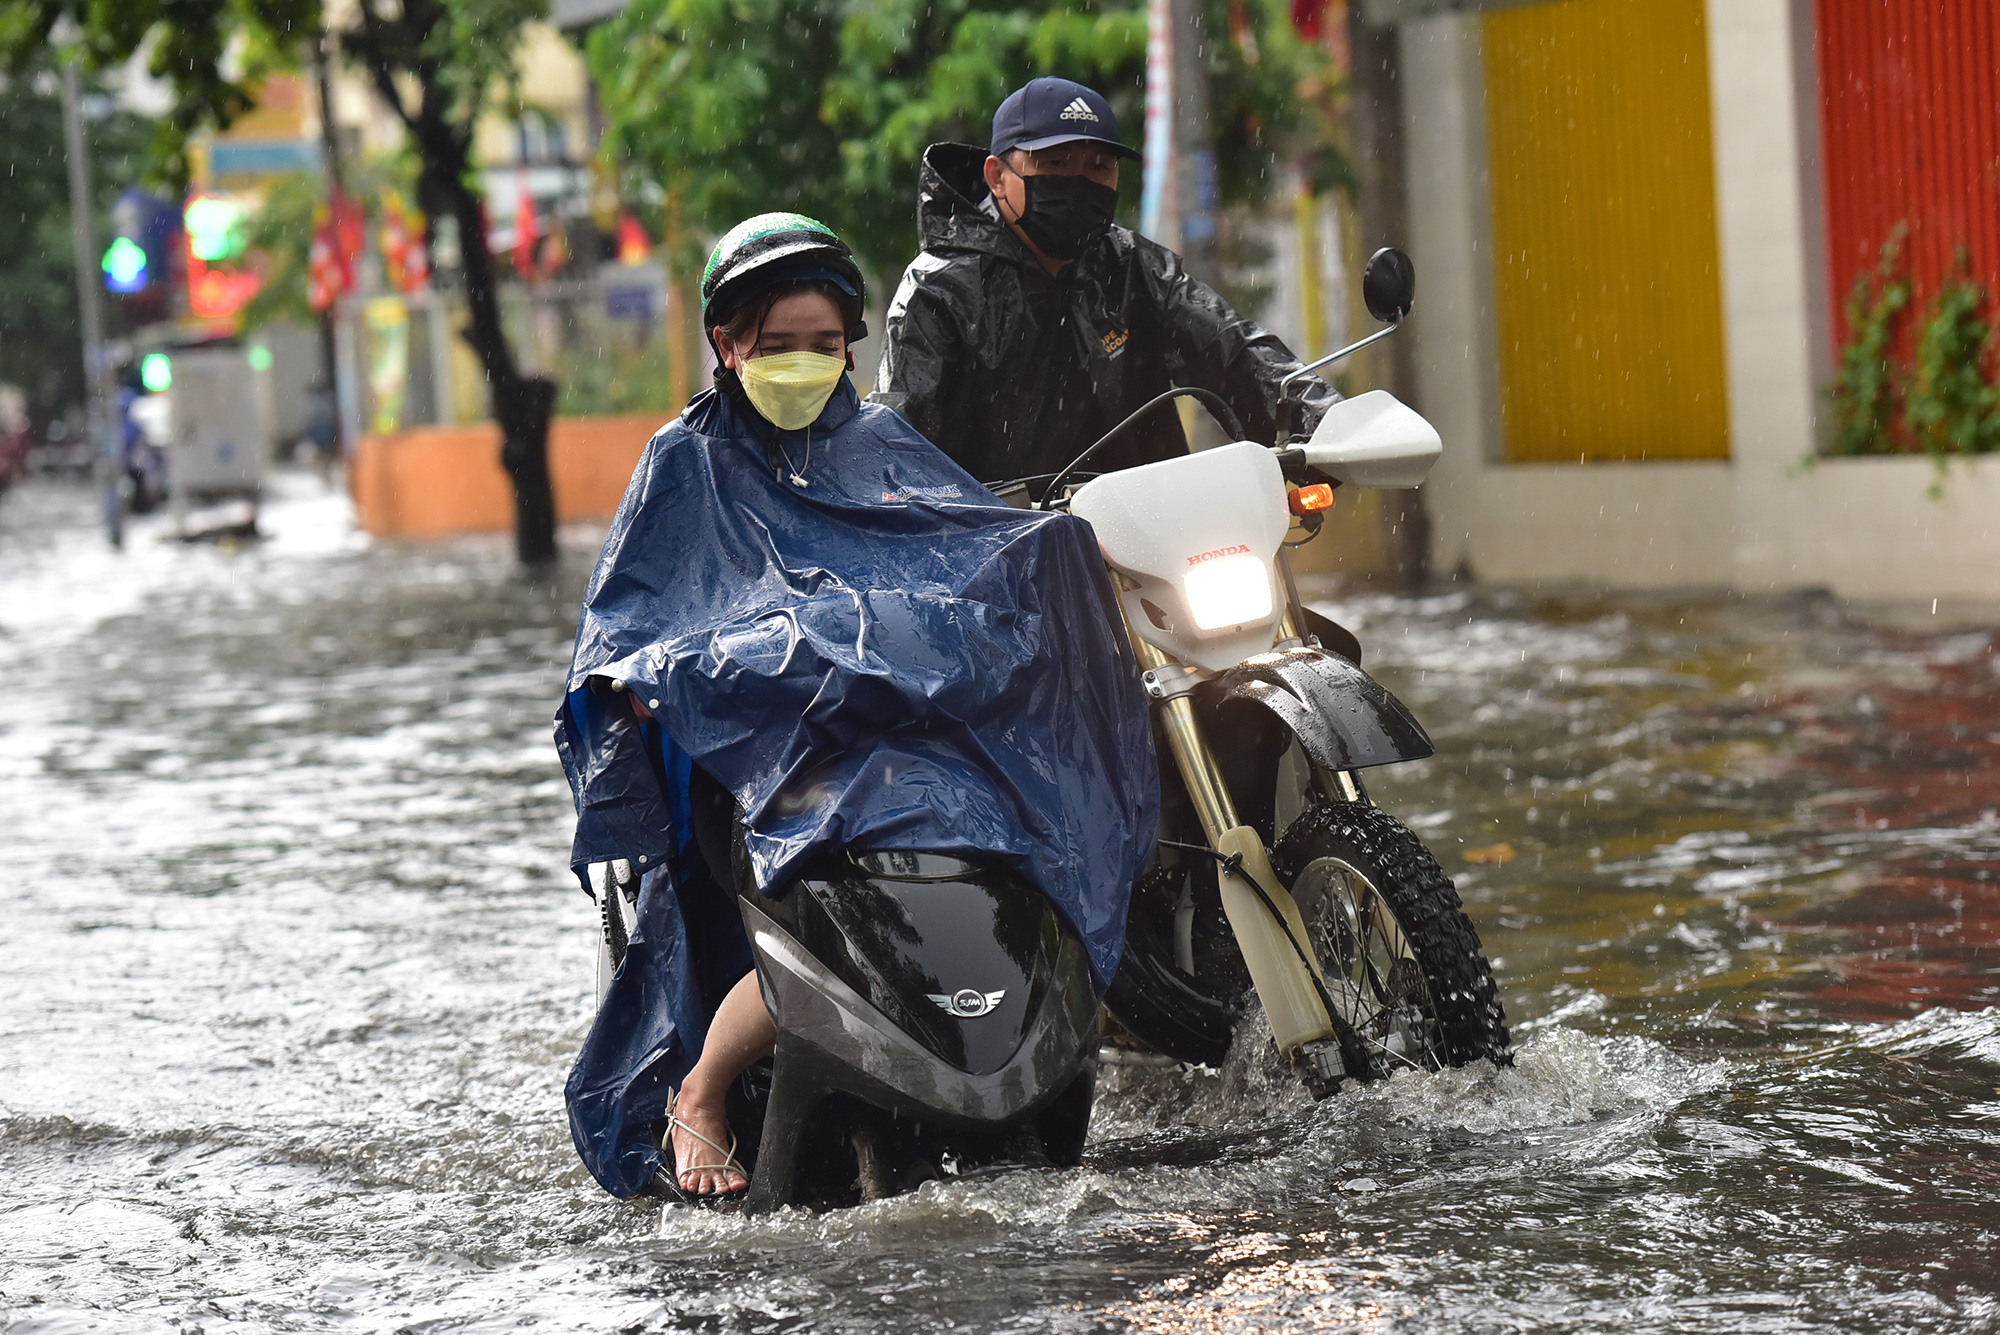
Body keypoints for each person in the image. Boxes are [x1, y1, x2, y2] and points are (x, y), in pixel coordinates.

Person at [554, 213, 1158, 1202]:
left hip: (896, 744)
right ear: (729, 344)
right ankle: (701, 1093)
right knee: (821, 870)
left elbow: (972, 547)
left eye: (824, 346)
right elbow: (628, 624)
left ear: (850, 348)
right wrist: (665, 680)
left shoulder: (880, 445)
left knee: (1011, 825)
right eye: (778, 346)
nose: (803, 363)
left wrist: (1060, 556)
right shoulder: (685, 464)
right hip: (760, 762)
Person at [874, 76, 1340, 489]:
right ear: (997, 177)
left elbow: (1232, 347)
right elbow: (899, 453)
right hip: (997, 557)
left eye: (1099, 167)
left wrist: (1331, 423)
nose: (1079, 184)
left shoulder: (1131, 264)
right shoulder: (938, 291)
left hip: (1155, 542)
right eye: (1055, 164)